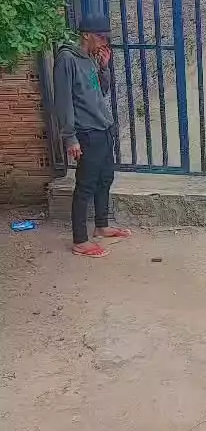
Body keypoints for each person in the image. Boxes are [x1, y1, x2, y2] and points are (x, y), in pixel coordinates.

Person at [53, 14, 131, 257]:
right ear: (86, 34)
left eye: (107, 37)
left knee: (105, 178)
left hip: (103, 129)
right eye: (101, 37)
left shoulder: (90, 60)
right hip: (86, 133)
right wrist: (70, 137)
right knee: (85, 186)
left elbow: (100, 92)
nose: (104, 42)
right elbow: (63, 101)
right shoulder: (67, 60)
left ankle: (101, 225)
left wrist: (104, 68)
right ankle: (79, 240)